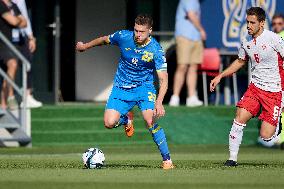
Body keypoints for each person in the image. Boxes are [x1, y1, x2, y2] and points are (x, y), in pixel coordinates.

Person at [76, 14, 174, 169]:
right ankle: (127, 120)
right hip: (121, 87)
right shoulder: (123, 36)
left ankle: (167, 160)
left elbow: (163, 79)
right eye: (136, 30)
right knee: (109, 123)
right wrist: (85, 46)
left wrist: (159, 101)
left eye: (142, 31)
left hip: (144, 88)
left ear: (150, 31)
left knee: (150, 120)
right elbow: (103, 40)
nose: (138, 34)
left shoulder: (156, 49)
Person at [210, 7, 283, 166]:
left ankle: (277, 125)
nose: (249, 25)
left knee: (266, 136)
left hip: (274, 92)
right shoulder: (246, 42)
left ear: (262, 23)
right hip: (255, 89)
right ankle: (232, 159)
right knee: (239, 118)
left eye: (252, 22)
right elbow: (240, 61)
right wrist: (220, 76)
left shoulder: (274, 39)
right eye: (247, 22)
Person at [169, 0, 206, 107]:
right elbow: (191, 15)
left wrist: (199, 33)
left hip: (196, 38)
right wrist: (202, 30)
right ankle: (175, 97)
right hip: (184, 36)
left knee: (193, 67)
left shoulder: (197, 2)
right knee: (182, 66)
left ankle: (191, 97)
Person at [257, 13, 284, 148]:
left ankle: (279, 138)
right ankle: (279, 138)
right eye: (274, 24)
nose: (277, 26)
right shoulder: (271, 38)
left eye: (280, 23)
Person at [11, 0, 42, 108]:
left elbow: (24, 18)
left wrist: (30, 37)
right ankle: (9, 98)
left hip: (21, 36)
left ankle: (27, 96)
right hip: (8, 37)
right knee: (9, 66)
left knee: (27, 64)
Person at [0, 0, 27, 110]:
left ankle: (6, 100)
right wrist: (18, 19)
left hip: (10, 43)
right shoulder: (1, 4)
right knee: (12, 64)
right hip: (2, 43)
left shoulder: (13, 5)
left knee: (12, 66)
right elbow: (13, 22)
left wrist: (18, 20)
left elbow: (25, 23)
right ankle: (7, 98)